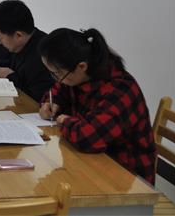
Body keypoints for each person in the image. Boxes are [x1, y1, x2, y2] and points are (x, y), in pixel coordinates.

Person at [38, 28, 156, 184]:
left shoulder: (121, 90)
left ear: (81, 67)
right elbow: (59, 90)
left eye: (57, 73)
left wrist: (63, 120)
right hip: (89, 161)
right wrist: (50, 102)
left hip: (126, 177)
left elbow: (86, 137)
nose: (56, 79)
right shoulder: (79, 76)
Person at [0, 0, 54, 101]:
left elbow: (38, 98)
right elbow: (14, 67)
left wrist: (12, 78)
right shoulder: (21, 43)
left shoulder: (45, 55)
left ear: (18, 35)